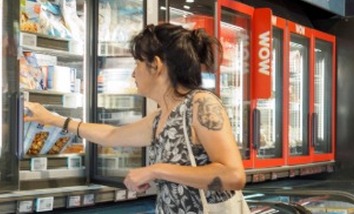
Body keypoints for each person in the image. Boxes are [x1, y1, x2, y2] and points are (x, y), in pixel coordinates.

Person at [24, 22, 246, 213]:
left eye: (137, 63)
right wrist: (54, 119)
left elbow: (233, 175)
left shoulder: (201, 104)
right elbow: (112, 135)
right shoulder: (161, 118)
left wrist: (156, 170)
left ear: (156, 65)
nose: (133, 73)